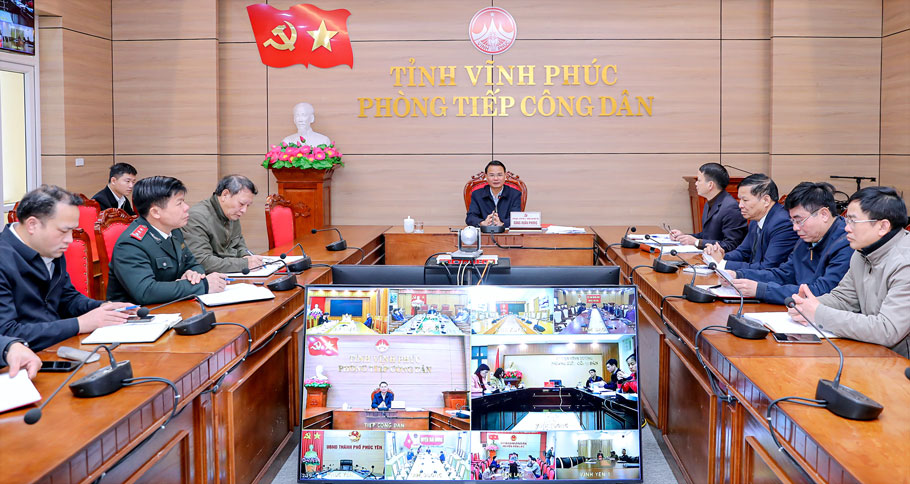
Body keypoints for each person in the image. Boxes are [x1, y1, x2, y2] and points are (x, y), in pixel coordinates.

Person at [0, 185, 134, 350]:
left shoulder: (49, 247)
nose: (70, 240)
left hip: (59, 346)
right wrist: (80, 324)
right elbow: (6, 333)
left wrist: (102, 307)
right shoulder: (4, 260)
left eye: (73, 231)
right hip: (21, 361)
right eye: (64, 231)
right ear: (32, 225)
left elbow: (66, 298)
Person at [790, 187, 910, 357]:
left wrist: (818, 313)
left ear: (883, 226)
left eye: (853, 221)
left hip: (900, 365)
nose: (846, 228)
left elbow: (887, 330)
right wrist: (806, 305)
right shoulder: (862, 253)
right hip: (873, 352)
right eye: (846, 221)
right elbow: (844, 298)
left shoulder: (905, 263)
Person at [725, 182, 852, 305]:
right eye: (792, 221)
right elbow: (785, 274)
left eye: (799, 221)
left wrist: (762, 290)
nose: (795, 228)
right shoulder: (807, 237)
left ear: (824, 214)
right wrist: (739, 275)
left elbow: (821, 292)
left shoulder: (846, 243)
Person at [107, 176, 228, 304]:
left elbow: (194, 264)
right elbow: (146, 292)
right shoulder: (131, 244)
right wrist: (203, 286)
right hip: (136, 316)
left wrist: (193, 274)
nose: (186, 207)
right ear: (155, 212)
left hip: (172, 306)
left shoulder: (174, 231)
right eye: (179, 203)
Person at [704, 173, 800, 271]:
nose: (740, 205)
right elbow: (743, 252)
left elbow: (768, 267)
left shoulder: (783, 223)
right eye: (740, 199)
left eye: (745, 200)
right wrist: (720, 255)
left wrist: (723, 263)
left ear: (766, 200)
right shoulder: (755, 219)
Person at [183, 175, 262, 274]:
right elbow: (202, 261)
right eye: (241, 204)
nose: (244, 210)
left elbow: (238, 244)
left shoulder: (231, 213)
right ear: (225, 194)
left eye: (248, 206)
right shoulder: (197, 217)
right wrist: (244, 264)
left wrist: (246, 256)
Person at [670, 163, 748, 251]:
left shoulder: (731, 208)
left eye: (699, 180)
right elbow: (707, 235)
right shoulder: (709, 203)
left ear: (710, 185)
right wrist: (684, 237)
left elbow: (732, 244)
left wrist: (697, 242)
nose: (696, 184)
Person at [466, 160, 523, 228]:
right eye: (492, 175)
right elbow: (470, 217)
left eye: (499, 175)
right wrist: (482, 223)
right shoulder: (477, 194)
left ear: (505, 176)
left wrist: (502, 223)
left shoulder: (515, 194)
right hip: (484, 234)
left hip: (506, 235)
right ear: (486, 176)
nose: (496, 178)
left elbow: (517, 218)